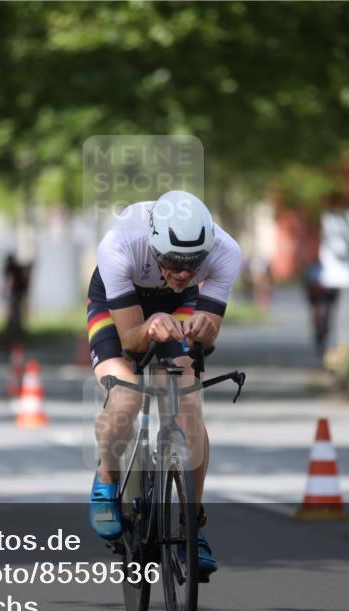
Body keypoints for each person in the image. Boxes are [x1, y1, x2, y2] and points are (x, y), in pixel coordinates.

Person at [87, 190, 241, 576]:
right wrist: (149, 329)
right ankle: (107, 478)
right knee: (125, 400)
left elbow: (206, 341)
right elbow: (130, 342)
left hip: (178, 305)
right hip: (117, 302)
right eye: (173, 261)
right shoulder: (120, 245)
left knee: (186, 401)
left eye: (193, 263)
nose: (184, 272)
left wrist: (205, 333)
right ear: (154, 244)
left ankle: (193, 527)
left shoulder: (226, 252)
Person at [303, 259, 339, 354]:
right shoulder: (312, 268)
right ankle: (319, 337)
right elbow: (307, 285)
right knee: (317, 315)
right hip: (315, 296)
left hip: (327, 296)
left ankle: (324, 335)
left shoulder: (332, 267)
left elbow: (336, 286)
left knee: (326, 316)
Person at [1, 253, 32, 355]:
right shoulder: (13, 269)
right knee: (14, 321)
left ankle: (14, 344)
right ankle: (11, 344)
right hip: (15, 297)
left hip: (16, 297)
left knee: (14, 321)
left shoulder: (13, 269)